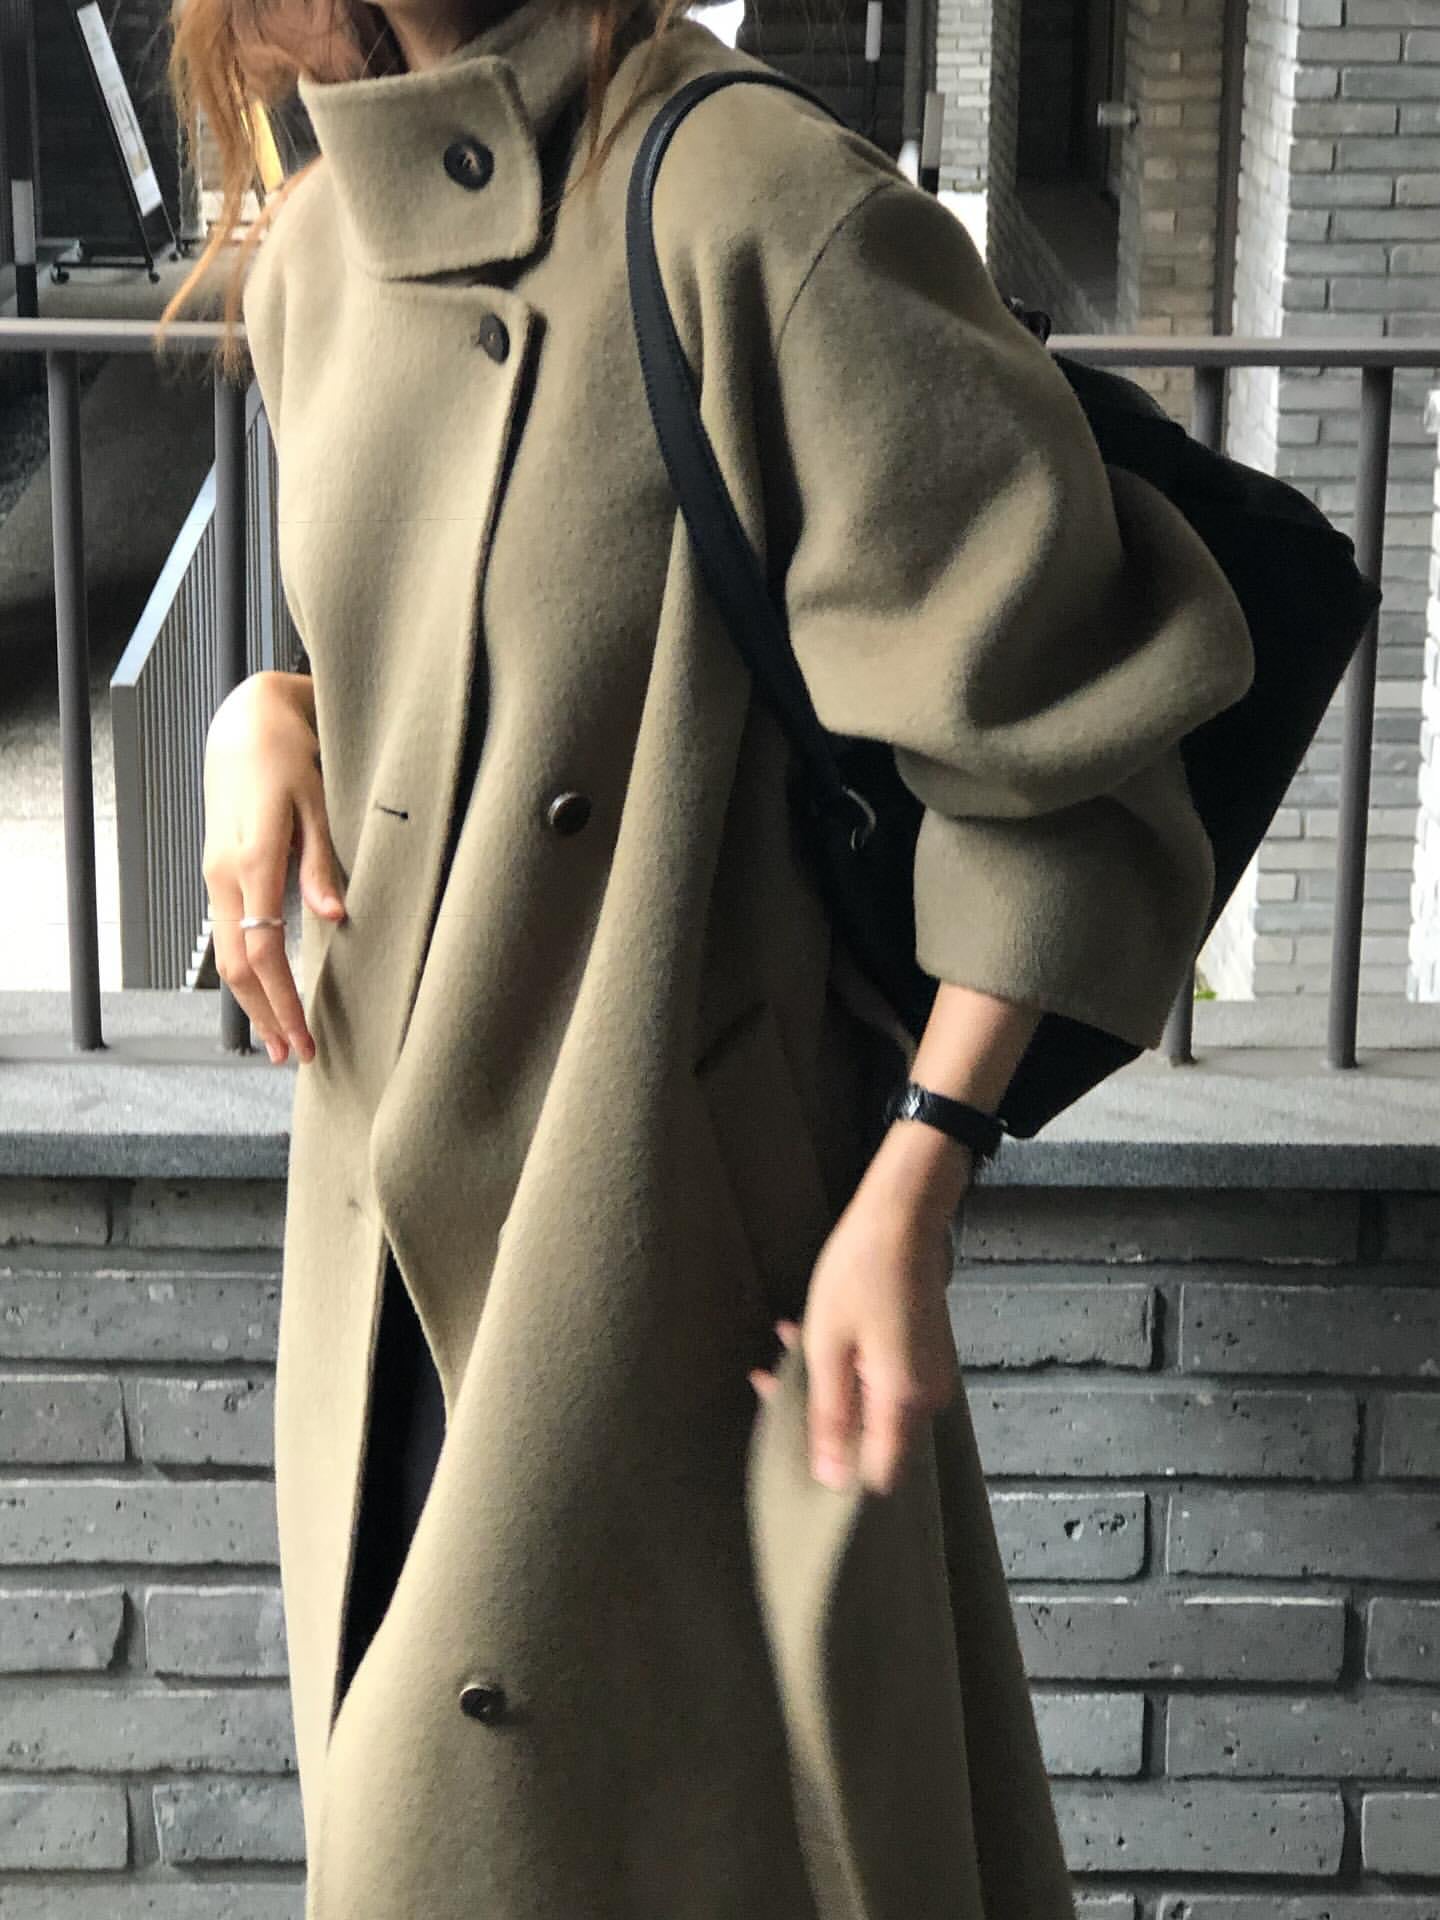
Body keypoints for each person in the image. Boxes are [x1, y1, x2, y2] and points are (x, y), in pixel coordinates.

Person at [168, 0, 1254, 1914]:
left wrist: (918, 1183)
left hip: (660, 1256)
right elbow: (477, 657)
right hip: (379, 1260)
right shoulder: (322, 245)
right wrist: (272, 713)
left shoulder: (762, 207)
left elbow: (1060, 765)